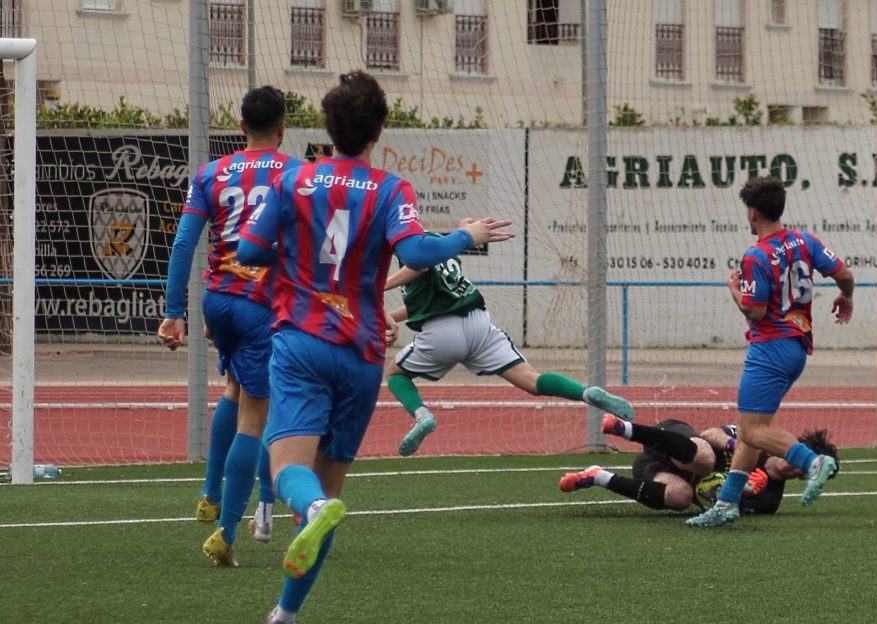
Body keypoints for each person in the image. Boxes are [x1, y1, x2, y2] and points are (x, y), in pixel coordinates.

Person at [236, 70, 514, 624]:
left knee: (290, 470)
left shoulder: (294, 180)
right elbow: (416, 251)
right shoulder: (390, 189)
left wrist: (290, 255)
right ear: (379, 130)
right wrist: (469, 236)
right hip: (362, 353)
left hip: (302, 341)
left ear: (328, 128)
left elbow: (248, 250)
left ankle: (312, 508)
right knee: (329, 489)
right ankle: (286, 613)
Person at [157, 85, 303, 565]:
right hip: (261, 303)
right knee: (256, 418)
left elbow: (184, 244)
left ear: (241, 126)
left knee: (234, 389)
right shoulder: (297, 174)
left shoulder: (211, 172)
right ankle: (228, 533)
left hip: (217, 299)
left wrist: (174, 312)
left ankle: (210, 492)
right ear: (283, 128)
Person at [687, 176, 854, 527]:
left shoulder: (756, 255)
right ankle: (727, 504)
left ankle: (813, 462)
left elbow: (756, 310)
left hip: (769, 349)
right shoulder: (804, 241)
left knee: (753, 432)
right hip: (797, 348)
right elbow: (845, 275)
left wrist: (734, 290)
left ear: (752, 212)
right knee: (751, 428)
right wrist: (846, 296)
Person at [383, 238, 635, 457]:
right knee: (532, 380)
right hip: (478, 323)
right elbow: (424, 301)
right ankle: (587, 393)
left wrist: (379, 286)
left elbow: (421, 264)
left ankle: (422, 415)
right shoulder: (439, 241)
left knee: (395, 373)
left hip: (442, 331)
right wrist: (387, 316)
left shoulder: (409, 247)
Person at [559, 415, 839, 515]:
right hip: (674, 440)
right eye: (801, 460)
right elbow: (710, 434)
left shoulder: (769, 501)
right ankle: (626, 429)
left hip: (656, 470)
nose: (795, 467)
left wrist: (741, 491)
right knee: (705, 460)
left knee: (681, 497)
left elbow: (713, 503)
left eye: (803, 471)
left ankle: (598, 476)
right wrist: (739, 450)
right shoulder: (760, 440)